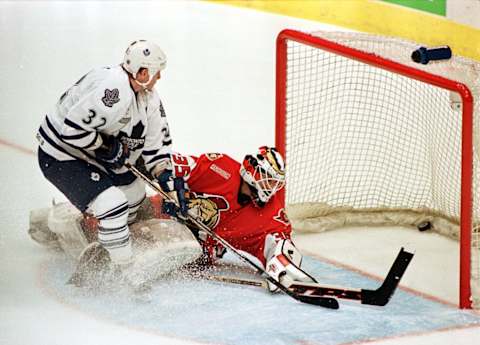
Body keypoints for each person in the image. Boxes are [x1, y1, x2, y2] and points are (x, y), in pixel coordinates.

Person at [32, 40, 174, 271]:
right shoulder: (114, 88)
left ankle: (98, 234)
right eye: (157, 72)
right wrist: (107, 148)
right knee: (113, 205)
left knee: (135, 193)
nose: (159, 78)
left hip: (89, 153)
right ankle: (123, 268)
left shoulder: (149, 97)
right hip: (60, 155)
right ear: (143, 71)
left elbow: (155, 144)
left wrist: (164, 172)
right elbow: (72, 132)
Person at [160, 146, 315, 291]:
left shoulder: (271, 212)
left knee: (192, 254)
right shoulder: (221, 168)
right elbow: (172, 164)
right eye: (270, 181)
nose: (272, 188)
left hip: (200, 249)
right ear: (255, 172)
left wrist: (282, 264)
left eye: (276, 183)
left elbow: (279, 241)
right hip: (163, 218)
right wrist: (175, 191)